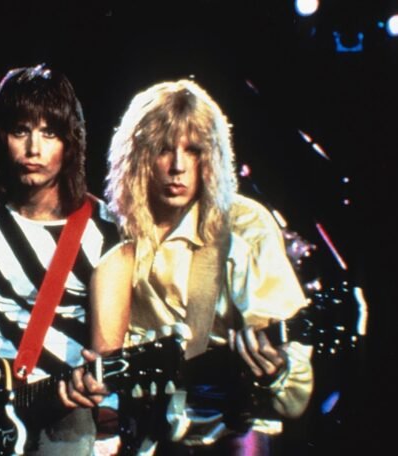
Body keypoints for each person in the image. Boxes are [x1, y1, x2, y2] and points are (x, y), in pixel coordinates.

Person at [100, 79, 314, 454]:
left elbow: (292, 371)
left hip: (227, 433)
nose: (178, 166)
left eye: (193, 150)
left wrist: (277, 372)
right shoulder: (112, 229)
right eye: (163, 149)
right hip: (141, 436)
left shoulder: (244, 227)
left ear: (211, 157)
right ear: (137, 156)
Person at [0, 64, 125, 455]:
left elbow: (107, 352)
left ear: (69, 142)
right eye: (21, 130)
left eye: (49, 133)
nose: (33, 148)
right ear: (1, 136)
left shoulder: (104, 229)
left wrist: (94, 384)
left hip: (63, 409)